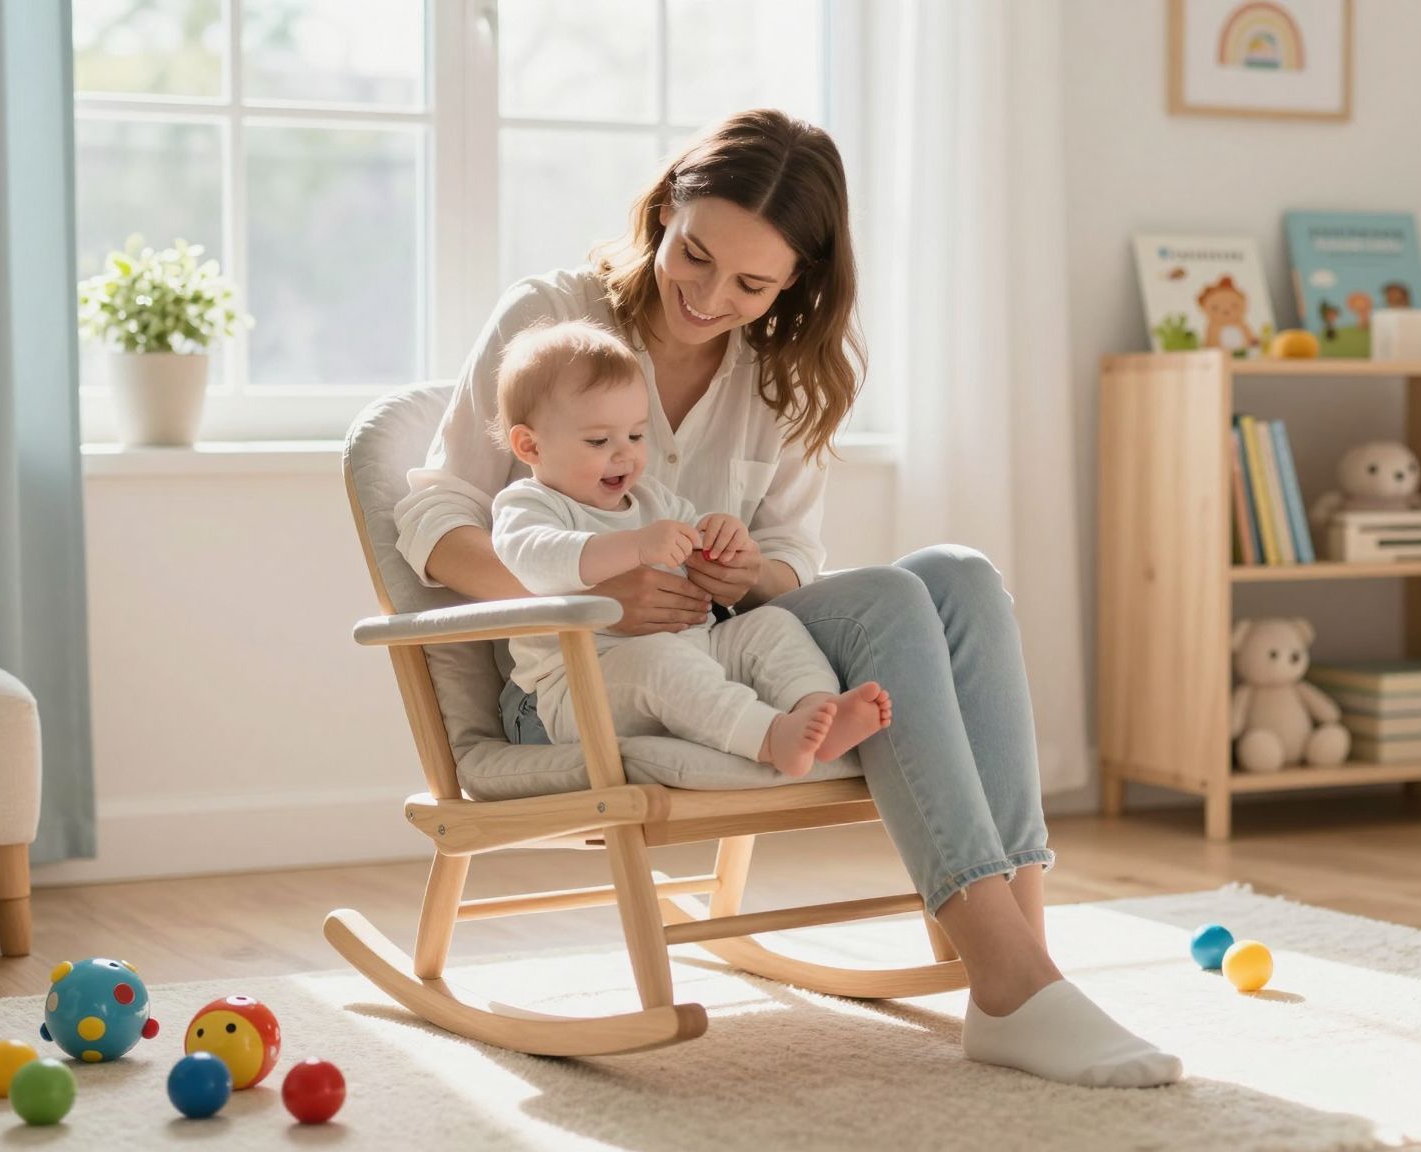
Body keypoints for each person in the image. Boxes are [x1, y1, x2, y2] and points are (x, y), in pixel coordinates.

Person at [394, 108, 1181, 1088]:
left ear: (796, 281)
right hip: (601, 674)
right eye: (693, 255)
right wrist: (591, 596)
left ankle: (1020, 965)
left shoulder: (780, 369)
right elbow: (435, 518)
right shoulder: (553, 321)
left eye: (751, 284)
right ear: (667, 209)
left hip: (733, 640)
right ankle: (1015, 985)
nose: (707, 295)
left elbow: (789, 557)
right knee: (893, 602)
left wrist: (745, 572)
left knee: (960, 576)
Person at [487, 319, 889, 776]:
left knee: (770, 626)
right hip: (567, 695)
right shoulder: (527, 505)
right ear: (530, 445)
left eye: (636, 435)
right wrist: (636, 546)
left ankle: (818, 711)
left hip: (691, 652)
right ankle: (769, 736)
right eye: (599, 441)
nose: (625, 454)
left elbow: (696, 534)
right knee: (660, 661)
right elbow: (541, 563)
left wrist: (723, 535)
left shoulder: (652, 499)